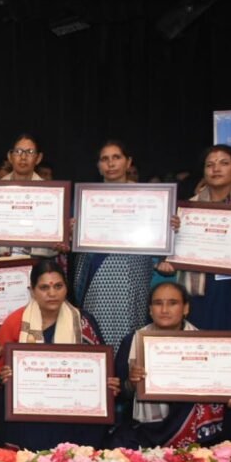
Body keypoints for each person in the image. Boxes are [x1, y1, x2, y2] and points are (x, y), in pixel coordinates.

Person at [0, 259, 117, 450]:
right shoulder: (16, 322)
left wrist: (107, 382)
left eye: (58, 286)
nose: (52, 293)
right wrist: (5, 376)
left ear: (66, 288)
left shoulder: (83, 322)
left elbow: (100, 368)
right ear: (32, 291)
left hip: (74, 412)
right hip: (29, 414)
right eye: (44, 287)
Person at [113, 282, 231, 448]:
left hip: (197, 430)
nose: (164, 310)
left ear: (185, 308)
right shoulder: (132, 342)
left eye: (173, 303)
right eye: (158, 303)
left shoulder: (209, 344)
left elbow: (225, 387)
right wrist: (132, 383)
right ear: (150, 309)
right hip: (146, 429)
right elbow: (119, 394)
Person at [158, 143, 231, 331]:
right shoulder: (187, 209)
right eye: (210, 165)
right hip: (200, 294)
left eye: (224, 163)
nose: (216, 169)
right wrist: (168, 260)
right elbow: (170, 256)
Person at [72, 141, 153, 350]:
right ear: (98, 166)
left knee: (130, 325)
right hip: (96, 276)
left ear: (128, 162)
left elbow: (157, 234)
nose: (111, 163)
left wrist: (168, 225)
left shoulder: (149, 198)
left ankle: (126, 370)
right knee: (96, 326)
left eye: (116, 157)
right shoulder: (87, 198)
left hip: (132, 271)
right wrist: (71, 230)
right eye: (105, 159)